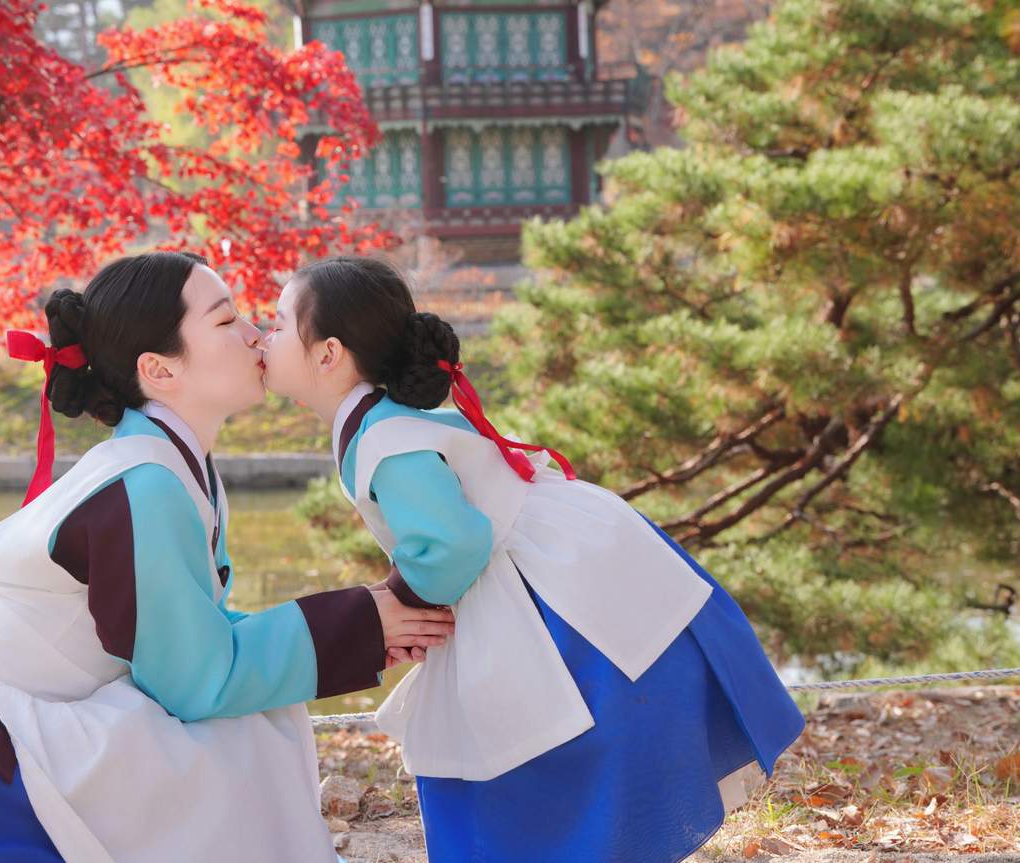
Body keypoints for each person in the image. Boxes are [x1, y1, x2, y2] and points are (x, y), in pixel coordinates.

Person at [0, 251, 454, 862]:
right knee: (235, 738)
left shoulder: (166, 457)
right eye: (228, 320)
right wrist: (364, 621)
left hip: (16, 684)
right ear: (160, 371)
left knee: (247, 727)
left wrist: (359, 618)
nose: (259, 334)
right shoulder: (146, 480)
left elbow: (190, 646)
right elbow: (197, 677)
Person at [261, 255, 806, 863]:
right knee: (553, 747)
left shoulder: (385, 440)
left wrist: (398, 603)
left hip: (546, 592)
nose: (264, 334)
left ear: (328, 354)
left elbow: (451, 545)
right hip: (557, 565)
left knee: (531, 753)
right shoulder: (382, 426)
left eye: (279, 322)